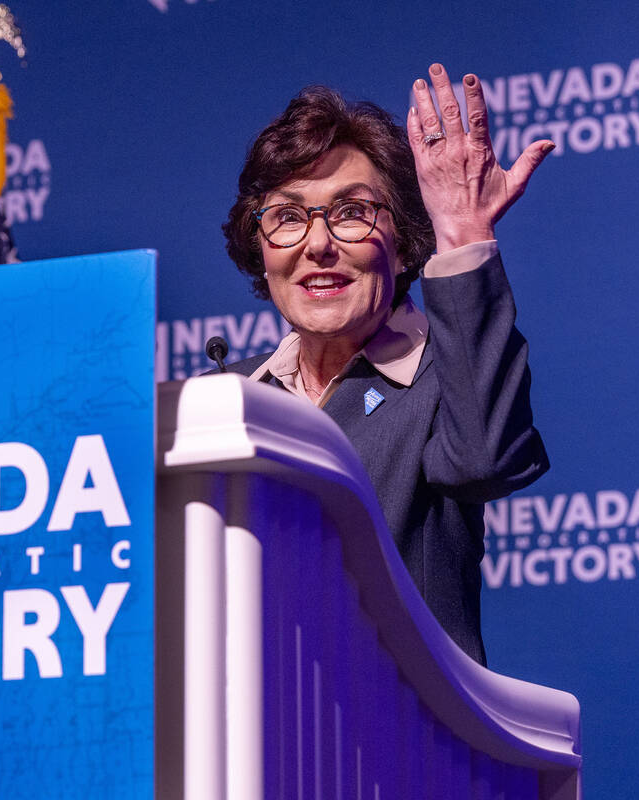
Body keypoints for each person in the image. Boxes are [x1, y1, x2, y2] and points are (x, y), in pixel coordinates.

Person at [220, 64, 552, 664]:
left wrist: (464, 235)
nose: (317, 245)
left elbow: (486, 460)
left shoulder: (443, 380)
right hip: (241, 742)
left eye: (351, 212)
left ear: (402, 243)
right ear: (260, 247)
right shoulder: (223, 397)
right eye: (288, 217)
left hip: (395, 741)